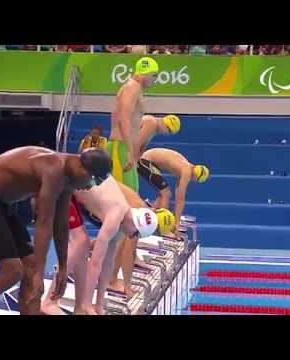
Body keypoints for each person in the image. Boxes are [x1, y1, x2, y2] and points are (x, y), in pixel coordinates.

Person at [0, 147, 112, 315]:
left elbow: (61, 224)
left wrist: (63, 268)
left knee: (30, 269)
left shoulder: (68, 179)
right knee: (12, 272)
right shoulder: (54, 168)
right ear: (82, 168)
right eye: (93, 181)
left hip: (2, 205)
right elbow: (44, 223)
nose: (88, 187)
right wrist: (39, 275)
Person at [40, 176, 174, 315]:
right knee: (80, 242)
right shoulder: (115, 216)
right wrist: (88, 303)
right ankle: (50, 301)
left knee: (84, 244)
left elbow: (107, 264)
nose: (131, 237)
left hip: (75, 187)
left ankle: (80, 308)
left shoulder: (124, 220)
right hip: (63, 183)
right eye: (135, 235)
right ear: (135, 225)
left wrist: (98, 305)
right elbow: (95, 264)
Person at [108, 56, 159, 192]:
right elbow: (122, 118)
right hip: (121, 147)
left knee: (132, 193)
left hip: (124, 146)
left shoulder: (133, 88)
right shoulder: (132, 87)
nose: (155, 80)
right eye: (154, 75)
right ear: (145, 73)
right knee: (124, 195)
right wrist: (130, 151)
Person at [138, 148, 209, 238]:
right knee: (166, 193)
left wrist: (175, 220)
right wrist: (176, 223)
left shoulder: (185, 167)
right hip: (145, 161)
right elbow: (180, 199)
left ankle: (149, 219)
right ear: (196, 177)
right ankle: (162, 228)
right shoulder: (187, 172)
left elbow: (178, 196)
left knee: (165, 194)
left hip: (147, 161)